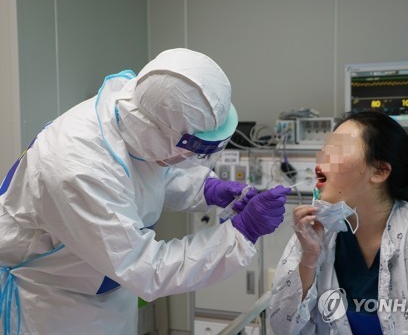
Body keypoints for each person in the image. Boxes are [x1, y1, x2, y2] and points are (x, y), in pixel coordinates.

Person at [0, 48, 291, 335]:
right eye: (193, 149)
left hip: (102, 286)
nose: (191, 160)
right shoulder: (77, 168)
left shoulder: (138, 118)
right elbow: (145, 268)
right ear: (152, 133)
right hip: (49, 304)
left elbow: (149, 168)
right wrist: (239, 234)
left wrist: (207, 188)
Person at [268, 111, 408, 334]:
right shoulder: (314, 235)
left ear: (380, 171)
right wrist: (308, 260)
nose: (321, 160)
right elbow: (281, 327)